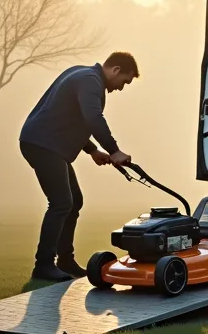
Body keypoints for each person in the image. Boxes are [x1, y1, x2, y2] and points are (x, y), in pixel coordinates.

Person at [19, 51, 139, 281]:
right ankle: (43, 265)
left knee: (74, 201)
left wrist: (92, 150)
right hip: (43, 145)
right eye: (125, 81)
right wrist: (114, 150)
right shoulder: (89, 81)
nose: (121, 88)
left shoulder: (82, 74)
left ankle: (65, 261)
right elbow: (93, 118)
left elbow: (72, 117)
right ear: (115, 70)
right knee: (61, 202)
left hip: (45, 144)